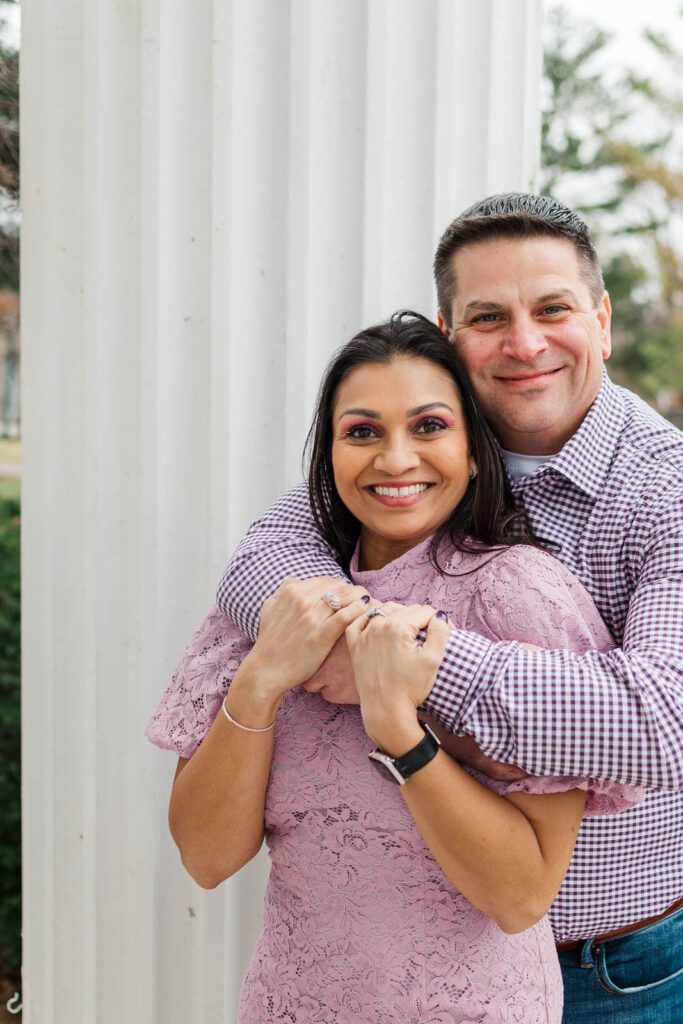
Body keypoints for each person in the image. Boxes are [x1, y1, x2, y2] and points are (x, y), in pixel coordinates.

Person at [216, 194, 683, 1023]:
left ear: (601, 320)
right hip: (415, 975)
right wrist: (358, 645)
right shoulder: (422, 453)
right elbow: (261, 563)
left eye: (552, 309)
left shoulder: (664, 487)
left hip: (614, 970)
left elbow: (659, 722)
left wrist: (412, 669)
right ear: (449, 334)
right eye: (487, 317)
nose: (524, 342)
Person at [147, 314, 639, 1022]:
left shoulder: (522, 595)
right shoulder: (282, 599)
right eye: (362, 431)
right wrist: (261, 677)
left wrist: (400, 733)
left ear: (475, 452)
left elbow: (521, 896)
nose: (395, 458)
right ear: (330, 456)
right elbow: (206, 857)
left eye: (429, 425)